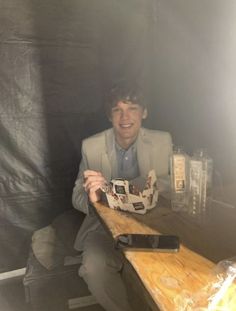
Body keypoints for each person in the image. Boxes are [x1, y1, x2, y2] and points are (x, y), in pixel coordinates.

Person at [72, 85, 173, 311]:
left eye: (132, 108)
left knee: (175, 264)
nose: (125, 117)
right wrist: (92, 196)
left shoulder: (162, 140)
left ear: (144, 112)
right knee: (93, 268)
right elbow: (76, 196)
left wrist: (131, 188)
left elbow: (173, 182)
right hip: (104, 226)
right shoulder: (91, 145)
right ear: (110, 116)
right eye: (117, 110)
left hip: (153, 222)